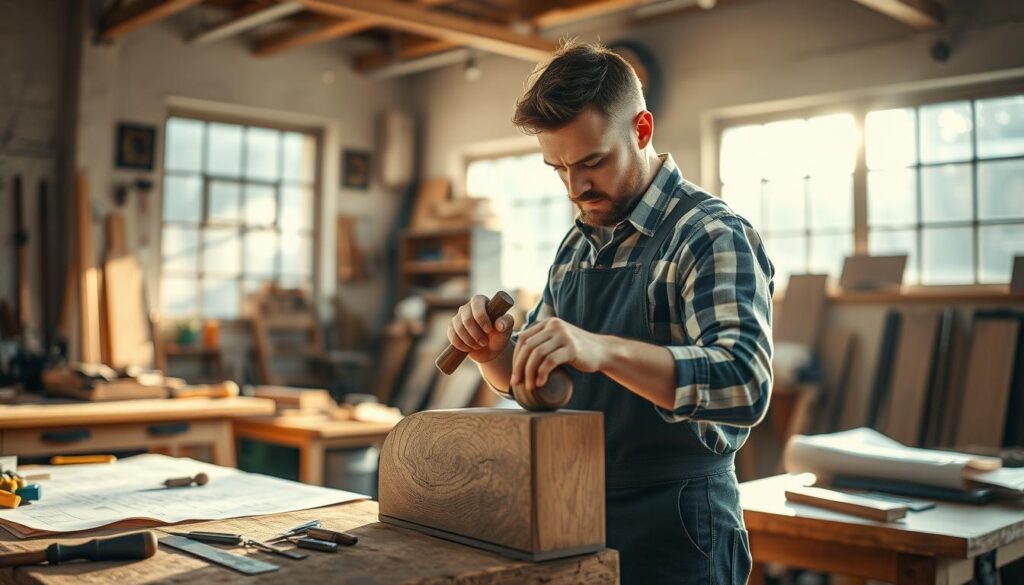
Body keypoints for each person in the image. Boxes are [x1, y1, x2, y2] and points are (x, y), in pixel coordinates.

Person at [445, 40, 774, 585]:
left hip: (678, 526)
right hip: (575, 513)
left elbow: (745, 384)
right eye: (559, 169)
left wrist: (604, 349)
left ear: (641, 130)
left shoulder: (711, 235)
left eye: (593, 162)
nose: (577, 187)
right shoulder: (577, 246)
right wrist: (496, 357)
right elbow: (540, 388)